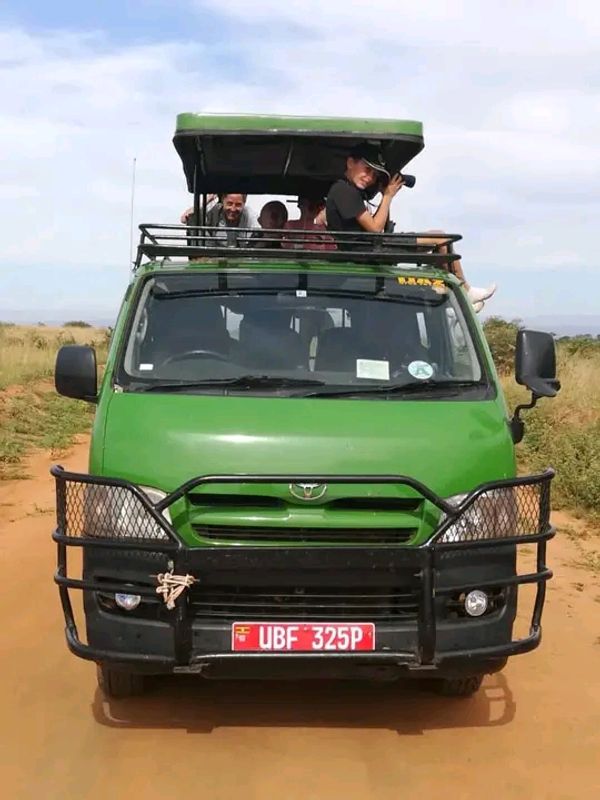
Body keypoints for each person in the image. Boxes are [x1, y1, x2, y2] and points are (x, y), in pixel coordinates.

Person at [325, 144, 496, 310]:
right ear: (350, 163)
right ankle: (465, 291)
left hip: (369, 248)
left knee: (440, 238)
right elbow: (375, 228)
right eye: (367, 169)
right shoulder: (343, 190)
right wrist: (387, 196)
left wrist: (386, 195)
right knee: (441, 239)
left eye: (374, 174)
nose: (369, 177)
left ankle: (446, 292)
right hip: (367, 251)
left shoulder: (347, 190)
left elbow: (379, 228)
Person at [180, 193, 258, 246]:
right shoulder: (215, 209)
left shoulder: (249, 214)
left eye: (238, 205)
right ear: (223, 201)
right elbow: (185, 218)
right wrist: (208, 199)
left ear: (244, 203)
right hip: (215, 255)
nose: (233, 209)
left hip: (240, 255)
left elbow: (259, 231)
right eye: (229, 204)